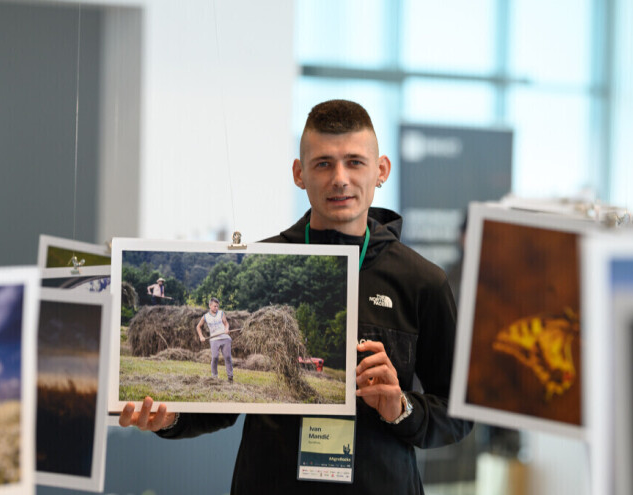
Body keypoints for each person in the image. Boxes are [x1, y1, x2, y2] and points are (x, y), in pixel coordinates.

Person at [119, 99, 473, 494]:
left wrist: (402, 408)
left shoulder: (422, 281)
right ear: (299, 173)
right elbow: (227, 404)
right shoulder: (264, 262)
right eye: (323, 163)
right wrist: (170, 418)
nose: (340, 178)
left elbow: (459, 413)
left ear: (381, 171)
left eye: (355, 162)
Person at [196, 297, 234, 382]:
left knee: (227, 357)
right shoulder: (205, 316)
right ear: (210, 305)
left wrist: (227, 329)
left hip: (225, 338)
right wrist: (201, 336)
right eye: (214, 306)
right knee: (215, 357)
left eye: (217, 306)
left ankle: (230, 377)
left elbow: (226, 323)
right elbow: (198, 327)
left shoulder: (221, 313)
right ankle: (214, 377)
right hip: (214, 339)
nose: (216, 308)